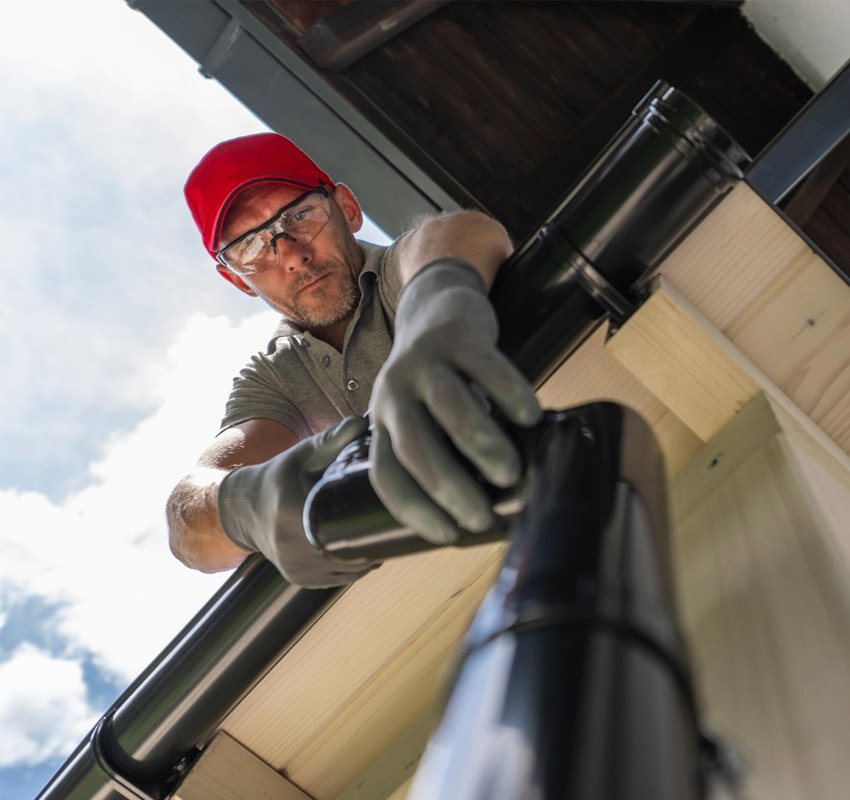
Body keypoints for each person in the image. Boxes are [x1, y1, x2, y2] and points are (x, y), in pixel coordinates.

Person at [167, 132, 541, 587]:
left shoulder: (400, 271)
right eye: (250, 246)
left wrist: (436, 318)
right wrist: (247, 504)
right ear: (239, 281)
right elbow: (188, 522)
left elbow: (457, 233)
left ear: (346, 209)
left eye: (300, 216)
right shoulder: (273, 378)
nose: (291, 255)